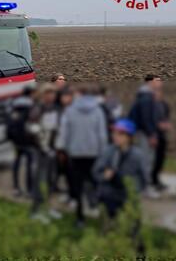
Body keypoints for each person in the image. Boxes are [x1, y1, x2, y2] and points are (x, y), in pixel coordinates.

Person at [56, 84, 109, 227]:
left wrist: (62, 149)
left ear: (78, 94)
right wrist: (103, 153)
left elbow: (64, 134)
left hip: (75, 154)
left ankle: (80, 218)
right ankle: (101, 212)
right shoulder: (98, 111)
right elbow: (102, 135)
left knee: (77, 186)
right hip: (94, 154)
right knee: (97, 183)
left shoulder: (69, 111)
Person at [93, 119, 147, 218]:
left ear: (129, 137)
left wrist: (134, 190)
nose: (115, 136)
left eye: (120, 134)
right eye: (114, 133)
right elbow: (96, 172)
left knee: (129, 227)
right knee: (109, 226)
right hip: (109, 196)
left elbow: (144, 178)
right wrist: (104, 176)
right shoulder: (108, 151)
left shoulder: (138, 155)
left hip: (128, 197)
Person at [29, 83, 62, 222]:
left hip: (53, 150)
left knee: (51, 180)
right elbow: (33, 129)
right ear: (43, 95)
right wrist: (44, 147)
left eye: (53, 93)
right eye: (48, 93)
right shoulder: (38, 108)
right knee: (40, 180)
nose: (51, 96)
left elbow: (57, 128)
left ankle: (48, 207)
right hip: (41, 151)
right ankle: (35, 211)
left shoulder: (55, 108)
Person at [128, 74, 162, 197]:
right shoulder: (147, 98)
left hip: (142, 133)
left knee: (144, 160)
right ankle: (144, 188)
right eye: (158, 81)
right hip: (145, 134)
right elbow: (147, 118)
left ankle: (141, 187)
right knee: (145, 162)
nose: (160, 84)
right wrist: (152, 134)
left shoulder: (143, 96)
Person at [6, 86, 36, 197]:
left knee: (16, 164)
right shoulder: (32, 107)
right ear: (31, 94)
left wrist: (11, 138)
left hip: (16, 142)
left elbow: (9, 124)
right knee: (30, 165)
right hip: (28, 142)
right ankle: (29, 190)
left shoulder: (13, 107)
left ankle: (16, 188)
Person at [151, 85, 172, 191]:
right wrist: (159, 125)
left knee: (160, 159)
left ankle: (157, 179)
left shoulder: (164, 104)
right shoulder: (151, 105)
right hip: (155, 135)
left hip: (162, 135)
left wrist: (166, 125)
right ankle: (152, 180)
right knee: (153, 160)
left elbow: (166, 118)